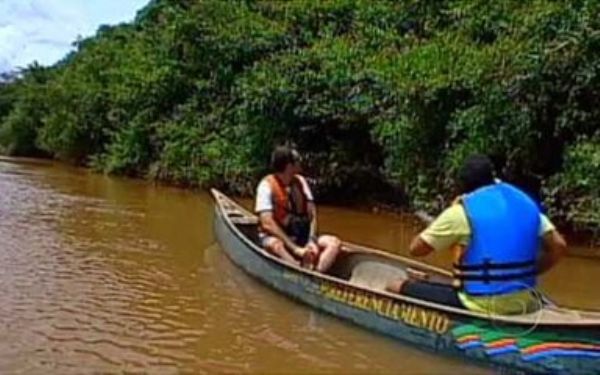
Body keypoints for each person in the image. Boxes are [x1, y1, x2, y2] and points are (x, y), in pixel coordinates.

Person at [386, 154, 567, 315]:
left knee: (395, 285)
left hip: (483, 305)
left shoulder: (461, 212)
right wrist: (527, 272)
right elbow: (559, 246)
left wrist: (446, 217)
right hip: (527, 300)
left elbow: (416, 249)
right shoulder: (522, 203)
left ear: (463, 185)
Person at [255, 145, 341, 272]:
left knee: (334, 243)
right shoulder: (266, 185)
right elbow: (267, 223)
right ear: (289, 166)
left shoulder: (300, 182)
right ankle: (298, 271)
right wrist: (295, 249)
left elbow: (312, 214)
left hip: (302, 236)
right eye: (296, 161)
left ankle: (316, 275)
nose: (300, 164)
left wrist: (311, 240)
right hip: (278, 238)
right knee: (277, 246)